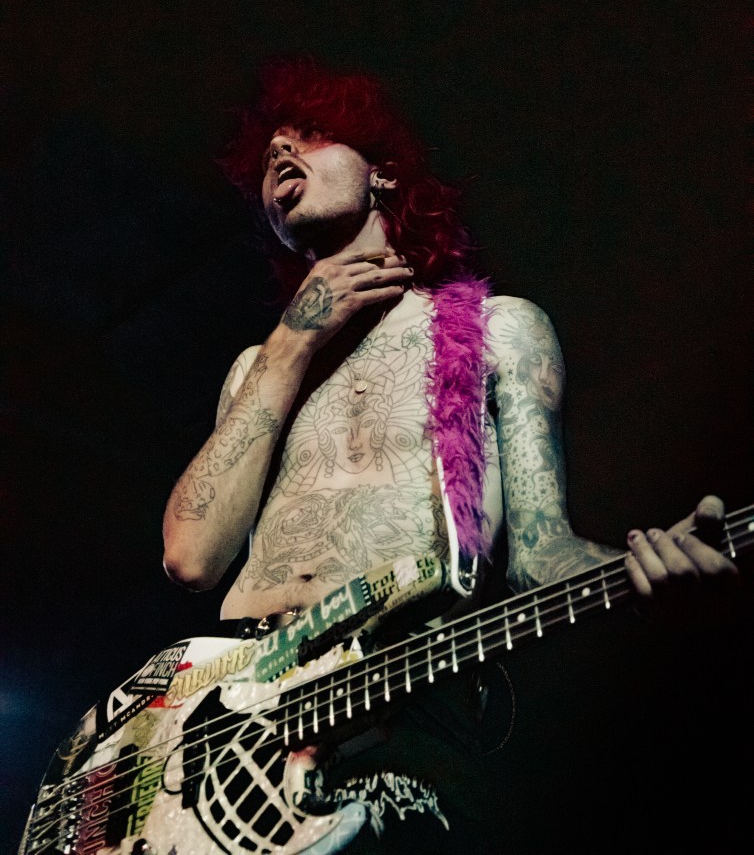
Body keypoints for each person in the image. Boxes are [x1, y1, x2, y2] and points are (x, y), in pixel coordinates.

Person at [162, 58, 740, 853]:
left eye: (313, 134)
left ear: (384, 173)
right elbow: (191, 556)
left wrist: (644, 571)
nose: (282, 153)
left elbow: (542, 555)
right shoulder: (256, 371)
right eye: (268, 155)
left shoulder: (498, 330)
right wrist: (292, 340)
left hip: (404, 712)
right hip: (238, 729)